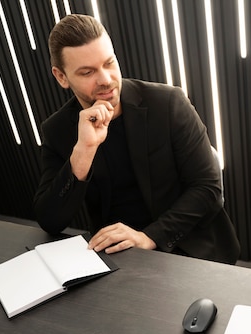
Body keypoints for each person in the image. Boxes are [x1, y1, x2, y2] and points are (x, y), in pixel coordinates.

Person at [34, 14, 240, 264]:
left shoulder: (168, 103)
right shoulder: (58, 130)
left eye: (109, 63)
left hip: (190, 247)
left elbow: (208, 188)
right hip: (120, 256)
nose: (106, 80)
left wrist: (149, 237)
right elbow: (50, 221)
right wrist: (83, 151)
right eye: (88, 72)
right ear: (61, 77)